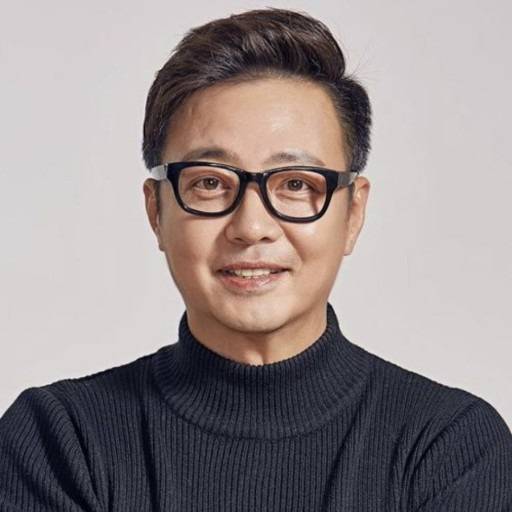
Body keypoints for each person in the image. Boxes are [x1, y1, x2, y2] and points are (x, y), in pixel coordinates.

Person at [1, 7, 511, 511]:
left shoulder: (449, 447)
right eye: (209, 182)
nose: (251, 227)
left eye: (296, 184)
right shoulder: (59, 440)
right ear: (156, 211)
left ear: (353, 213)